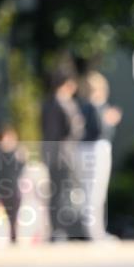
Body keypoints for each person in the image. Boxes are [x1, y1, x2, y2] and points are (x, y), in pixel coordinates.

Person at [40, 68, 87, 241]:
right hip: (62, 154)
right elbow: (71, 130)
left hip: (58, 153)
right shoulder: (60, 103)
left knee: (59, 192)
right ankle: (60, 230)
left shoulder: (49, 103)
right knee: (62, 193)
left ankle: (60, 229)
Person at [77, 71, 122, 240]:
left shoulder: (83, 106)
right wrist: (110, 120)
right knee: (95, 192)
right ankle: (95, 232)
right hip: (96, 149)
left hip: (85, 149)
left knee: (92, 191)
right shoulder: (95, 106)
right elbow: (99, 129)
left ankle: (95, 231)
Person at [0, 124, 26, 243]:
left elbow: (20, 170)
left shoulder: (17, 152)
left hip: (13, 188)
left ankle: (13, 237)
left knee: (13, 216)